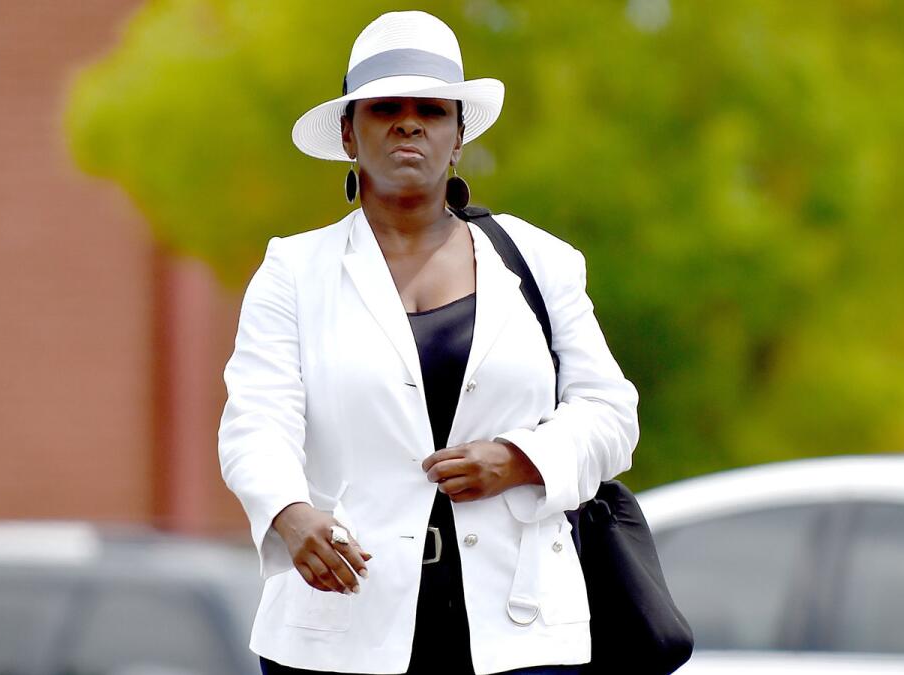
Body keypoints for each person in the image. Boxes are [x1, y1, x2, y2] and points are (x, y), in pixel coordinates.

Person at [218, 11, 639, 675]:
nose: (408, 123)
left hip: (518, 629)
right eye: (385, 108)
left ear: (459, 135)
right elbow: (255, 423)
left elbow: (610, 415)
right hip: (340, 624)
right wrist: (290, 515)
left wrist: (520, 458)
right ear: (350, 135)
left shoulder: (540, 262)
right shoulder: (293, 271)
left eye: (431, 109)